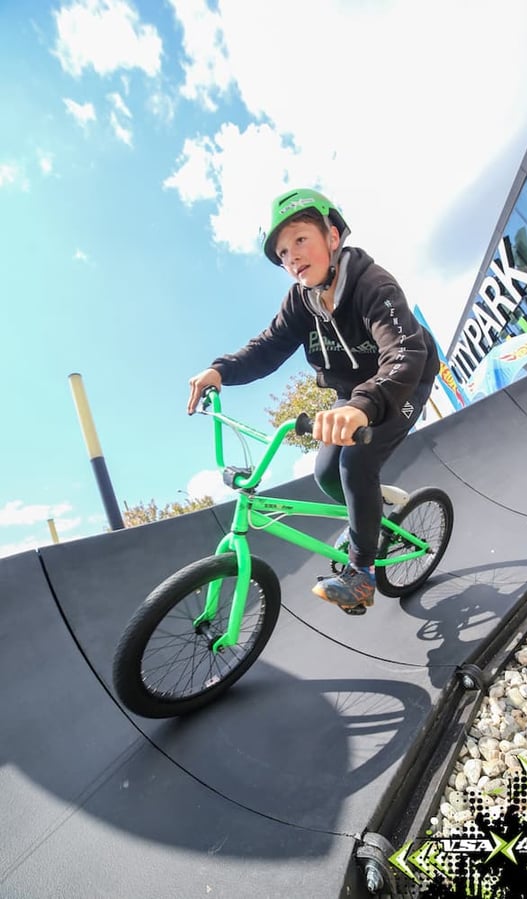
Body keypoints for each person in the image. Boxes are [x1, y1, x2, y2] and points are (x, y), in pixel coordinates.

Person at [187, 188, 439, 613]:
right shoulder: (300, 303)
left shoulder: (372, 285)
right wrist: (221, 370)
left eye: (301, 240)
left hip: (401, 383)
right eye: (283, 252)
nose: (292, 257)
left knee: (356, 462)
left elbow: (404, 354)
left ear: (333, 237)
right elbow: (267, 348)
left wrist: (362, 405)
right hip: (352, 395)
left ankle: (361, 574)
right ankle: (371, 518)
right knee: (326, 474)